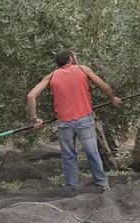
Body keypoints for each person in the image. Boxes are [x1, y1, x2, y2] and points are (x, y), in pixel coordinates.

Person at [27, 48, 122, 192]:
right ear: (71, 58)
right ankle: (102, 183)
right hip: (84, 119)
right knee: (92, 152)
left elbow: (31, 96)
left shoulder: (51, 76)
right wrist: (113, 98)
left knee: (68, 155)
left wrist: (35, 119)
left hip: (64, 123)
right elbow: (104, 86)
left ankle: (72, 186)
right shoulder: (82, 69)